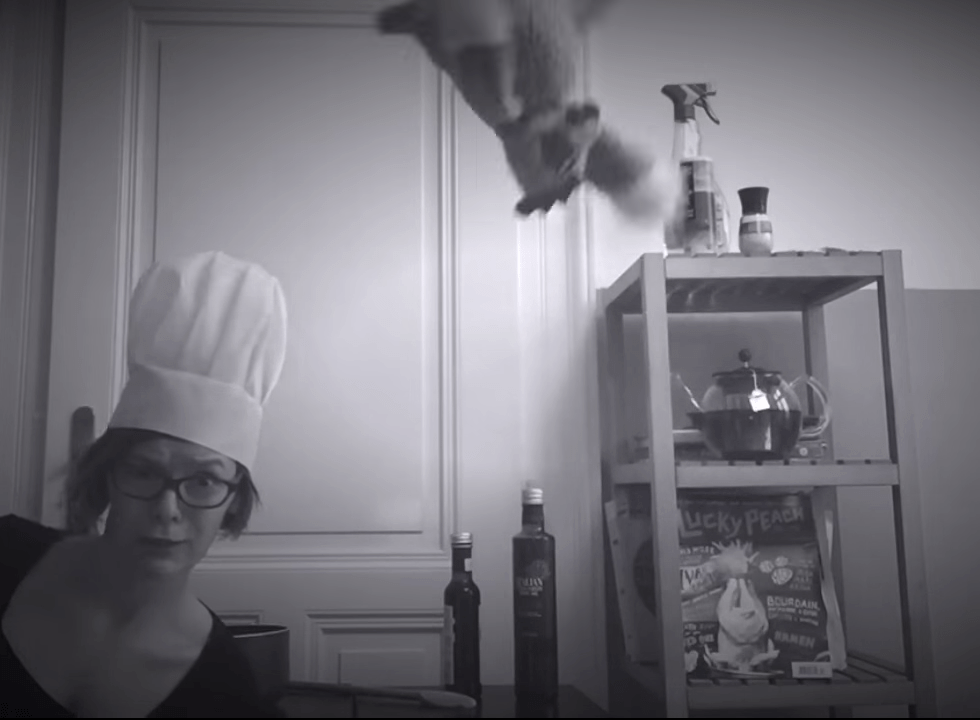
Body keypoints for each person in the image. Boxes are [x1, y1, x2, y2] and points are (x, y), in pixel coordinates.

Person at [0, 251, 288, 718]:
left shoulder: (221, 687)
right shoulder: (8, 553)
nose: (167, 509)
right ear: (107, 475)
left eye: (204, 480)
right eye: (145, 471)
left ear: (233, 501)